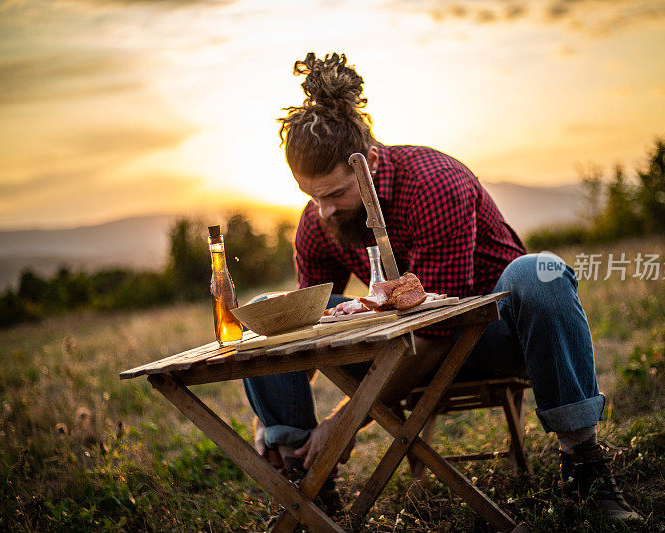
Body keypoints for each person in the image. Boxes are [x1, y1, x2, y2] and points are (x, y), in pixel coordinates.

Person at [243, 52, 641, 522]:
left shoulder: (433, 183)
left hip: (488, 338)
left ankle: (584, 461)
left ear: (369, 161)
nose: (323, 211)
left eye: (335, 194)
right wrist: (266, 415)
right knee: (272, 309)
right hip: (394, 349)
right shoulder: (318, 222)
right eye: (312, 196)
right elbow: (307, 333)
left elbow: (435, 335)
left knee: (540, 271)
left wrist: (346, 421)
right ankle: (305, 484)